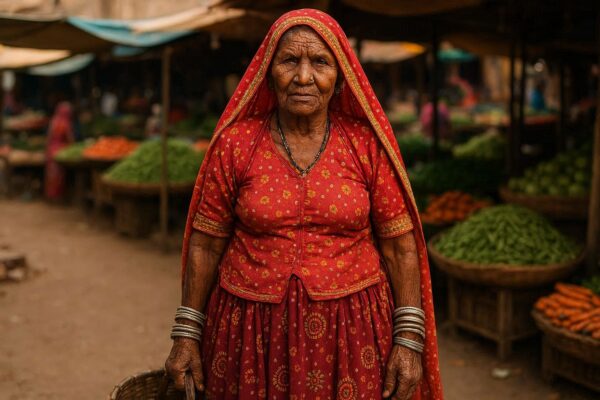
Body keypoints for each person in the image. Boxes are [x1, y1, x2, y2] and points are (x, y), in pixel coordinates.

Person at [165, 9, 442, 400]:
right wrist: (187, 334)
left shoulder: (365, 146)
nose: (304, 76)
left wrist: (409, 339)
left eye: (321, 62)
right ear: (268, 70)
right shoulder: (236, 145)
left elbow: (400, 246)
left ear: (341, 77)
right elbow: (205, 243)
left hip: (353, 337)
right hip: (249, 337)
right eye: (290, 60)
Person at [44, 102, 74, 200]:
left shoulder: (54, 121)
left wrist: (47, 149)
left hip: (51, 149)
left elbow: (48, 137)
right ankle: (58, 196)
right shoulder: (66, 123)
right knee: (59, 175)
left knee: (51, 174)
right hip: (61, 151)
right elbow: (70, 139)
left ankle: (50, 195)